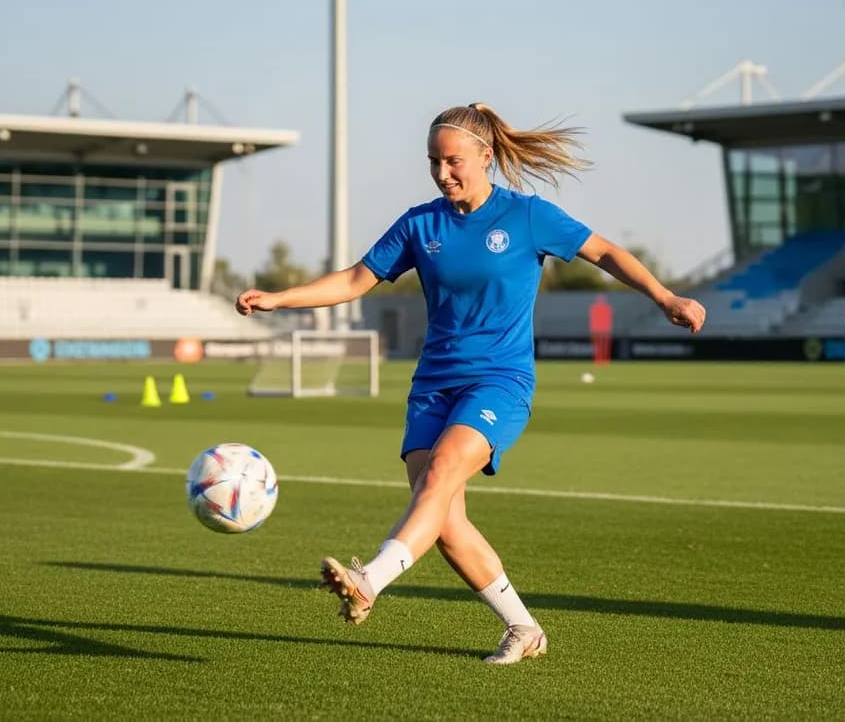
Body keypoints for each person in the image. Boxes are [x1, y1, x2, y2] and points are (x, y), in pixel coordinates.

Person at [236, 103, 706, 664]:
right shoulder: (419, 224)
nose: (442, 173)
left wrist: (665, 297)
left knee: (440, 474)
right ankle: (524, 629)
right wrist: (280, 299)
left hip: (499, 382)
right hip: (432, 387)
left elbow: (602, 251)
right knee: (444, 519)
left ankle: (370, 580)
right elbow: (357, 279)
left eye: (453, 161)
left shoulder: (527, 216)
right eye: (433, 162)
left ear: (486, 157)